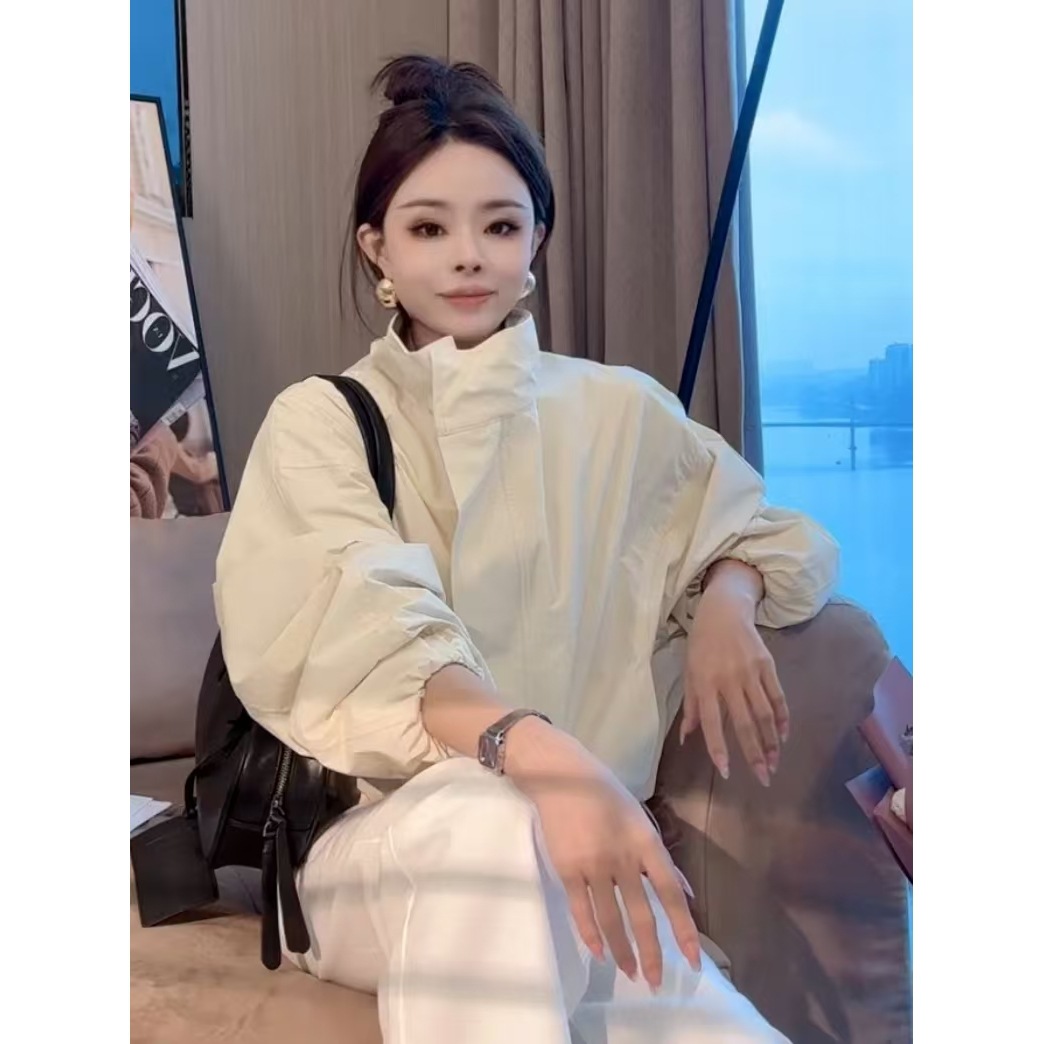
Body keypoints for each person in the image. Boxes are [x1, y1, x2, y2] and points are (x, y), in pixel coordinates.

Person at [214, 54, 839, 1044]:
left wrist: (727, 597)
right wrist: (541, 758)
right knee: (491, 816)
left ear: (537, 236)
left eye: (500, 226)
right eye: (429, 228)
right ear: (377, 248)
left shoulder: (618, 411)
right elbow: (380, 640)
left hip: (572, 850)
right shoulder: (322, 422)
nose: (468, 257)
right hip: (379, 849)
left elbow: (763, 529)